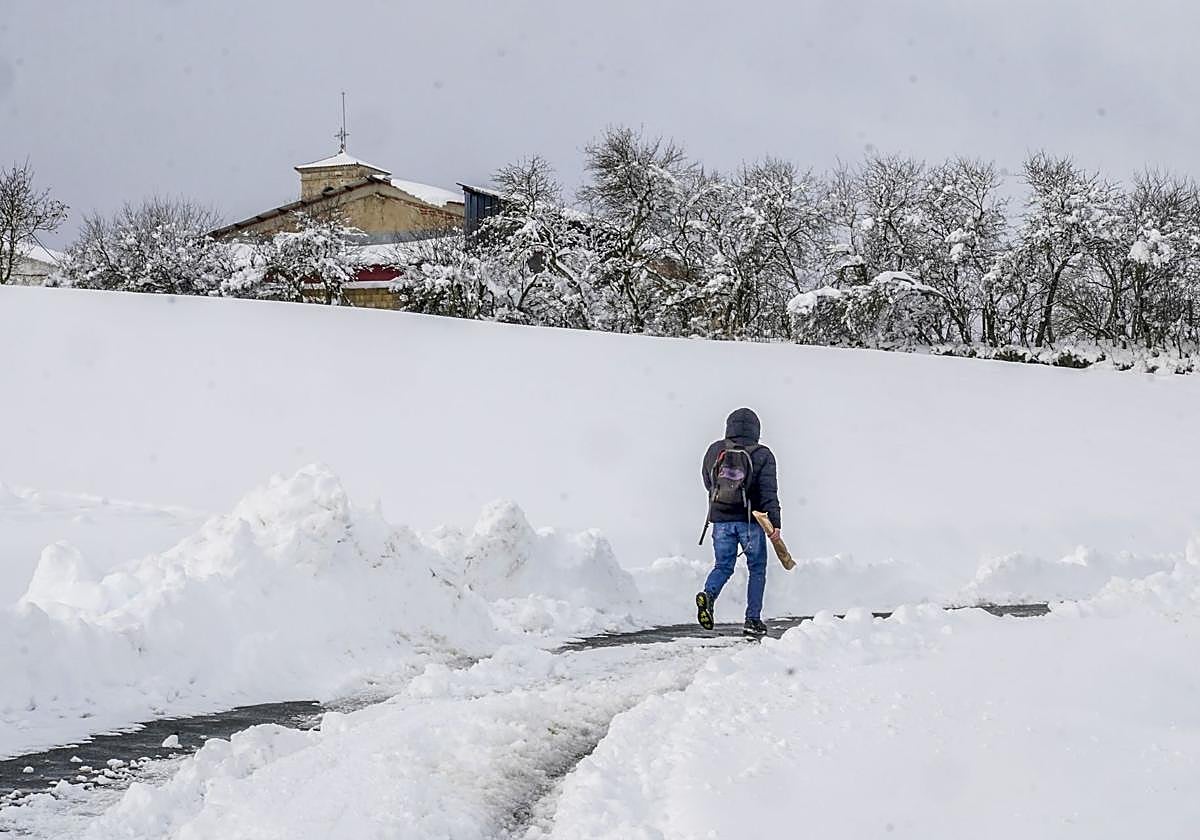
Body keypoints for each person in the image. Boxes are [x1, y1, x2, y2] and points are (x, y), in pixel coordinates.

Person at [697, 407, 782, 636]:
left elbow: (708, 481)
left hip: (720, 520)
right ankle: (752, 620)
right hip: (750, 522)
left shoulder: (715, 450)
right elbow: (768, 492)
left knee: (723, 565)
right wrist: (775, 524)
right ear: (756, 429)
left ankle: (708, 594)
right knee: (756, 568)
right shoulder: (763, 454)